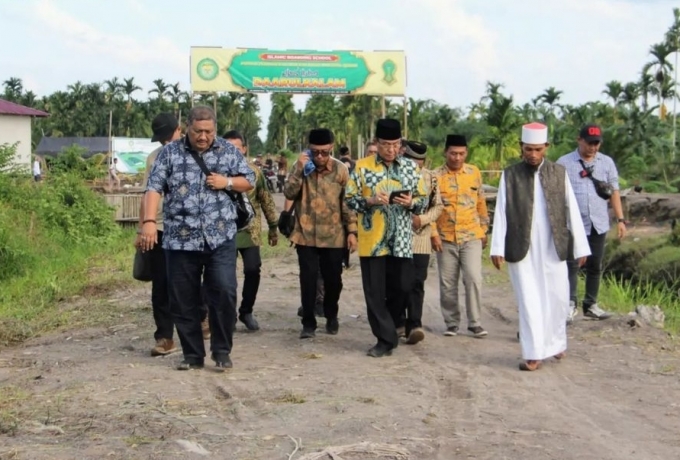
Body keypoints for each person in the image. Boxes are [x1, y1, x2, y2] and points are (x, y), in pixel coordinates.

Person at [140, 106, 255, 372]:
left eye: (208, 131)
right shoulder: (169, 154)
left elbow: (249, 179)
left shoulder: (227, 151)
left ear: (215, 129)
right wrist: (147, 223)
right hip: (180, 241)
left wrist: (226, 182)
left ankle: (222, 350)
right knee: (183, 299)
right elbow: (153, 188)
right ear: (187, 128)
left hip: (220, 238)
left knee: (224, 292)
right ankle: (192, 355)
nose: (203, 136)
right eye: (197, 131)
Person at [490, 122, 590, 371]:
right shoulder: (510, 175)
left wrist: (581, 247)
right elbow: (501, 211)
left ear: (546, 147)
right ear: (521, 147)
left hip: (553, 245)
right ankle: (533, 353)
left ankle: (555, 344)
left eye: (537, 149)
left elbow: (572, 210)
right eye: (528, 149)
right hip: (520, 246)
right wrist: (497, 247)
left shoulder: (559, 173)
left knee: (556, 297)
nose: (533, 154)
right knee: (529, 300)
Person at [345, 119, 428, 357]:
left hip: (401, 241)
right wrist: (370, 201)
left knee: (402, 287)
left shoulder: (410, 168)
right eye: (385, 144)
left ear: (400, 144)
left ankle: (391, 327)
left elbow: (423, 200)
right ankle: (385, 339)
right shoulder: (362, 167)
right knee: (374, 292)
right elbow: (349, 198)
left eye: (395, 144)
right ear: (376, 143)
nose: (390, 149)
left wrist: (411, 202)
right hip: (373, 242)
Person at [284, 129, 358, 339]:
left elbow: (348, 204)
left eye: (324, 153)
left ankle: (331, 313)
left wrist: (352, 231)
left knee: (333, 280)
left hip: (334, 236)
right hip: (305, 235)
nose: (319, 157)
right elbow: (289, 193)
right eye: (315, 152)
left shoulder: (341, 170)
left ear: (331, 148)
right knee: (307, 280)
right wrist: (299, 169)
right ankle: (308, 323)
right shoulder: (301, 167)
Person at [557, 124, 626, 322]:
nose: (593, 147)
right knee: (571, 264)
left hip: (598, 222)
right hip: (572, 223)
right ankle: (570, 303)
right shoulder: (564, 162)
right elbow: (556, 193)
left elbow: (614, 192)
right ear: (579, 140)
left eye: (597, 144)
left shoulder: (606, 163)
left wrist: (621, 220)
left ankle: (591, 304)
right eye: (589, 143)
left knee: (595, 264)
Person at [431, 135, 490, 338]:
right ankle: (452, 322)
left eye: (461, 154)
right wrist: (433, 234)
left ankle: (475, 323)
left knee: (473, 278)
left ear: (466, 153)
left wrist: (484, 229)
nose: (457, 158)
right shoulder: (435, 176)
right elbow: (430, 207)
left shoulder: (474, 172)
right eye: (453, 153)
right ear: (445, 152)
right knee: (448, 282)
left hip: (471, 234)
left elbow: (481, 201)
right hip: (445, 236)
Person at [135, 113, 182, 356]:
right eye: (161, 139)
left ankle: (201, 320)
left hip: (189, 229)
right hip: (160, 229)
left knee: (192, 280)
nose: (166, 142)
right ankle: (164, 336)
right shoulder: (153, 158)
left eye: (168, 136)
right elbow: (147, 194)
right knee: (161, 285)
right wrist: (143, 227)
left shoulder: (194, 152)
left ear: (179, 129)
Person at [223, 130, 279, 331]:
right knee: (224, 276)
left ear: (244, 149)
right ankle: (225, 315)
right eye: (227, 147)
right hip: (223, 231)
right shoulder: (216, 171)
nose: (232, 152)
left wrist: (273, 227)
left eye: (236, 148)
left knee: (253, 269)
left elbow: (266, 199)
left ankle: (246, 311)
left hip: (250, 230)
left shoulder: (254, 172)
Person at [399, 140, 443, 344]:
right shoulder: (393, 175)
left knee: (417, 281)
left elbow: (438, 206)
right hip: (397, 237)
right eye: (410, 161)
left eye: (419, 162)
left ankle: (415, 324)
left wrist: (422, 219)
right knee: (399, 282)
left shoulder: (431, 178)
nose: (415, 165)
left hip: (421, 239)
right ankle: (398, 321)